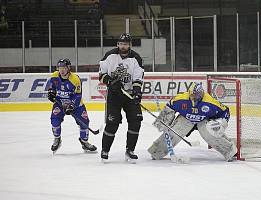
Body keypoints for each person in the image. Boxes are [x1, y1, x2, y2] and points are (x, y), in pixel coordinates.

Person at [148, 82, 237, 162]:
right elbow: (170, 106)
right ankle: (157, 151)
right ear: (190, 94)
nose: (196, 97)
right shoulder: (182, 99)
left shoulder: (210, 102)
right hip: (186, 118)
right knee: (174, 133)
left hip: (203, 120)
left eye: (198, 95)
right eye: (194, 95)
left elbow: (225, 111)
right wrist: (163, 120)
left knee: (210, 133)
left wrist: (221, 122)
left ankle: (230, 151)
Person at [98, 33, 144, 163]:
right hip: (114, 96)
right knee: (112, 123)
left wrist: (137, 91)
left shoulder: (136, 58)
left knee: (136, 121)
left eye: (126, 44)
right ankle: (105, 150)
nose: (123, 46)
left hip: (129, 95)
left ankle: (130, 151)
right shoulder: (109, 56)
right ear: (118, 44)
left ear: (129, 45)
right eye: (121, 44)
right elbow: (101, 75)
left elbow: (138, 77)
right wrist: (111, 82)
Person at [48, 58, 97, 154]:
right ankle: (57, 139)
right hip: (59, 103)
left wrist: (71, 106)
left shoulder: (75, 79)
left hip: (76, 105)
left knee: (84, 123)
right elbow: (51, 87)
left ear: (68, 68)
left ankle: (84, 142)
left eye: (64, 68)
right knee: (54, 121)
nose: (61, 70)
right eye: (60, 68)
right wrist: (51, 92)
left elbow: (78, 95)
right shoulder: (54, 76)